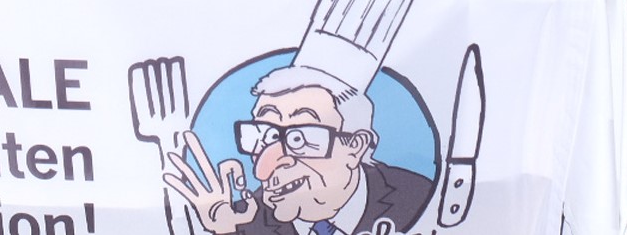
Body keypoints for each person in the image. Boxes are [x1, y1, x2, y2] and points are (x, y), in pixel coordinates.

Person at [166, 67, 433, 235]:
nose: (268, 165)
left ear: (355, 146)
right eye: (263, 136)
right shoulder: (244, 221)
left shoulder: (418, 196)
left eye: (301, 138)